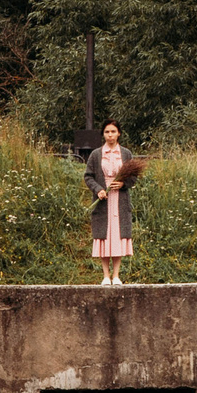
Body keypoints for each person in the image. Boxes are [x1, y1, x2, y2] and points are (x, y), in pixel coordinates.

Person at [85, 120, 135, 286]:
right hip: (103, 200)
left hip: (120, 200)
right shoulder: (96, 154)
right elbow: (88, 176)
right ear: (103, 134)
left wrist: (122, 184)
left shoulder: (126, 154)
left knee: (118, 235)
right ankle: (105, 275)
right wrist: (98, 189)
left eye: (113, 132)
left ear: (119, 133)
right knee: (104, 236)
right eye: (107, 132)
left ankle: (116, 275)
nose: (110, 135)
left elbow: (133, 177)